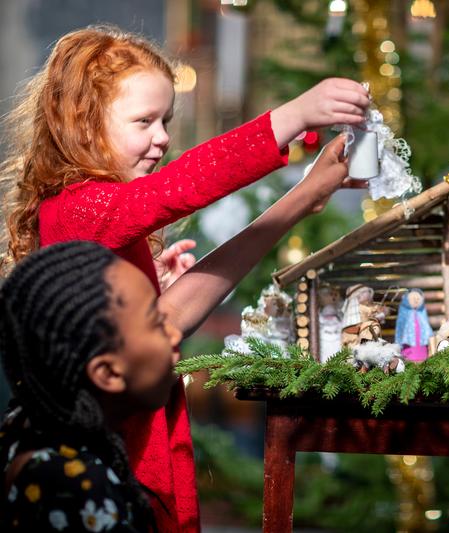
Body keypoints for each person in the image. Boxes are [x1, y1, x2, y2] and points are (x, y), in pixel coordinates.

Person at [0, 25, 369, 531]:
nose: (163, 138)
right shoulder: (79, 210)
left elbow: (172, 321)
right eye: (144, 121)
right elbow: (180, 186)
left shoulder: (108, 222)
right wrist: (292, 117)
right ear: (81, 126)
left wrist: (302, 199)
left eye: (166, 120)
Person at [0, 241, 181, 531]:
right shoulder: (78, 491)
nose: (175, 334)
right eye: (158, 323)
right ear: (107, 372)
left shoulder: (25, 427)